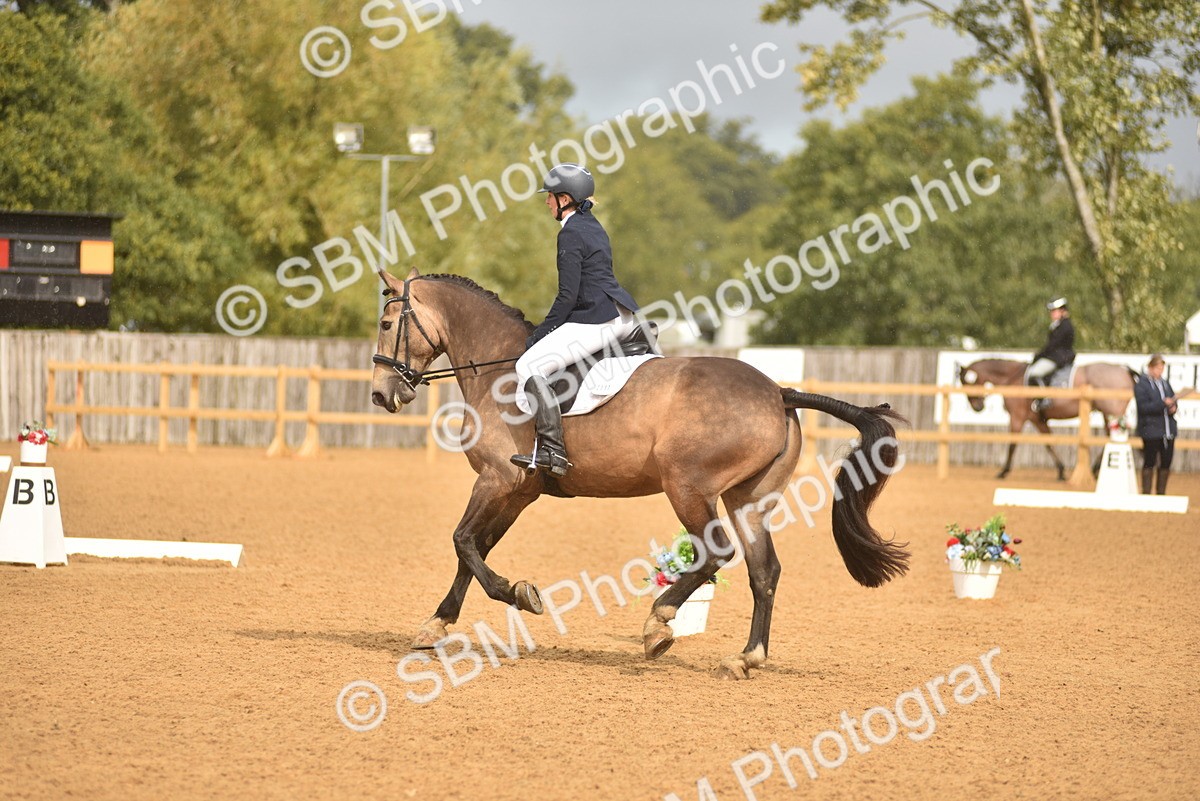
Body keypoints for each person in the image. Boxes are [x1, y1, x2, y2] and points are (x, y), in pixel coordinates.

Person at [510, 163, 641, 478]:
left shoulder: (570, 234)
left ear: (565, 198)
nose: (547, 202)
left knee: (527, 366)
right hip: (622, 314)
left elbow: (567, 297)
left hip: (596, 318)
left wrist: (540, 334)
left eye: (551, 196)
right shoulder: (592, 224)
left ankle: (553, 452)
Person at [1134, 354, 1187, 495]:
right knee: (1150, 460)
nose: (1160, 371)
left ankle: (1161, 493)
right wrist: (1162, 403)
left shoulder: (1165, 383)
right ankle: (1146, 492)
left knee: (1166, 461)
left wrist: (1173, 407)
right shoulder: (1142, 385)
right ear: (1150, 368)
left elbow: (1172, 400)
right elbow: (1143, 407)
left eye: (1162, 368)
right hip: (1150, 430)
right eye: (1158, 368)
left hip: (1168, 430)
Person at [1028, 296, 1076, 414]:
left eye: (1054, 311)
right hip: (1058, 356)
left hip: (1059, 358)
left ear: (1062, 311)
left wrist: (1039, 355)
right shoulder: (1058, 325)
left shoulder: (1064, 326)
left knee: (1035, 373)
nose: (1052, 313)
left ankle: (1044, 399)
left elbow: (1052, 346)